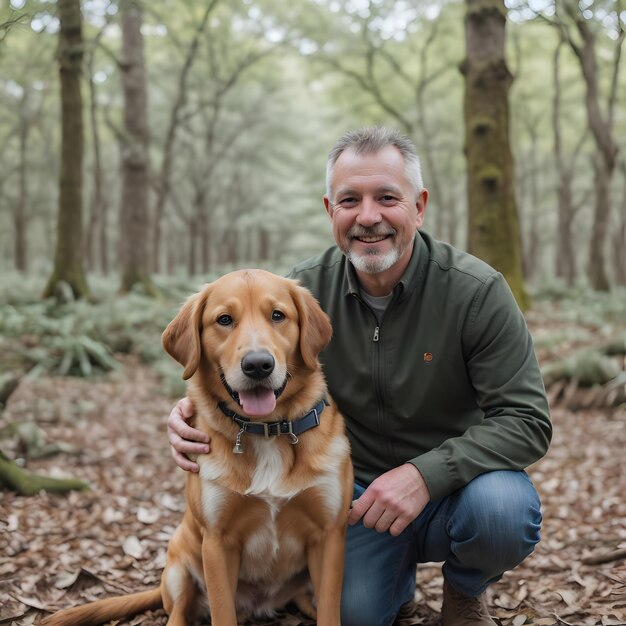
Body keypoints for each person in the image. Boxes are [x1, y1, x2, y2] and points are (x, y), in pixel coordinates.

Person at [167, 127, 552, 626]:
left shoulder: (476, 292)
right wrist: (188, 413)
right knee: (354, 614)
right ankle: (393, 579)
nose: (368, 217)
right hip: (357, 502)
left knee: (503, 512)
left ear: (419, 205)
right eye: (350, 199)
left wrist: (424, 475)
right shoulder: (296, 296)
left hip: (457, 491)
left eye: (387, 198)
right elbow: (238, 359)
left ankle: (466, 588)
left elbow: (527, 421)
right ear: (331, 210)